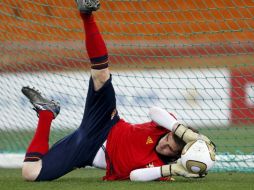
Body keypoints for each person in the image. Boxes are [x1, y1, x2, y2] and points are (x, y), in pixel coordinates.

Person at [21, 0, 213, 182]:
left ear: (178, 156)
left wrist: (174, 169)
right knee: (101, 75)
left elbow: (135, 176)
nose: (165, 144)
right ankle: (86, 14)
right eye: (169, 139)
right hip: (106, 123)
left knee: (31, 173)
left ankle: (46, 112)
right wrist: (182, 131)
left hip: (86, 151)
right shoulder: (165, 127)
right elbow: (154, 111)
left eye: (170, 149)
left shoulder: (160, 168)